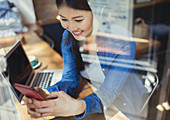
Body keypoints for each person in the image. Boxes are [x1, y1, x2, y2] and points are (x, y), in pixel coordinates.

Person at [23, 0, 146, 119]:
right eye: (64, 19)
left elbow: (109, 93)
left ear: (98, 12)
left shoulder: (122, 41)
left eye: (78, 20)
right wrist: (47, 94)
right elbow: (70, 79)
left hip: (123, 108)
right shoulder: (68, 36)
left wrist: (79, 106)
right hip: (94, 96)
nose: (71, 27)